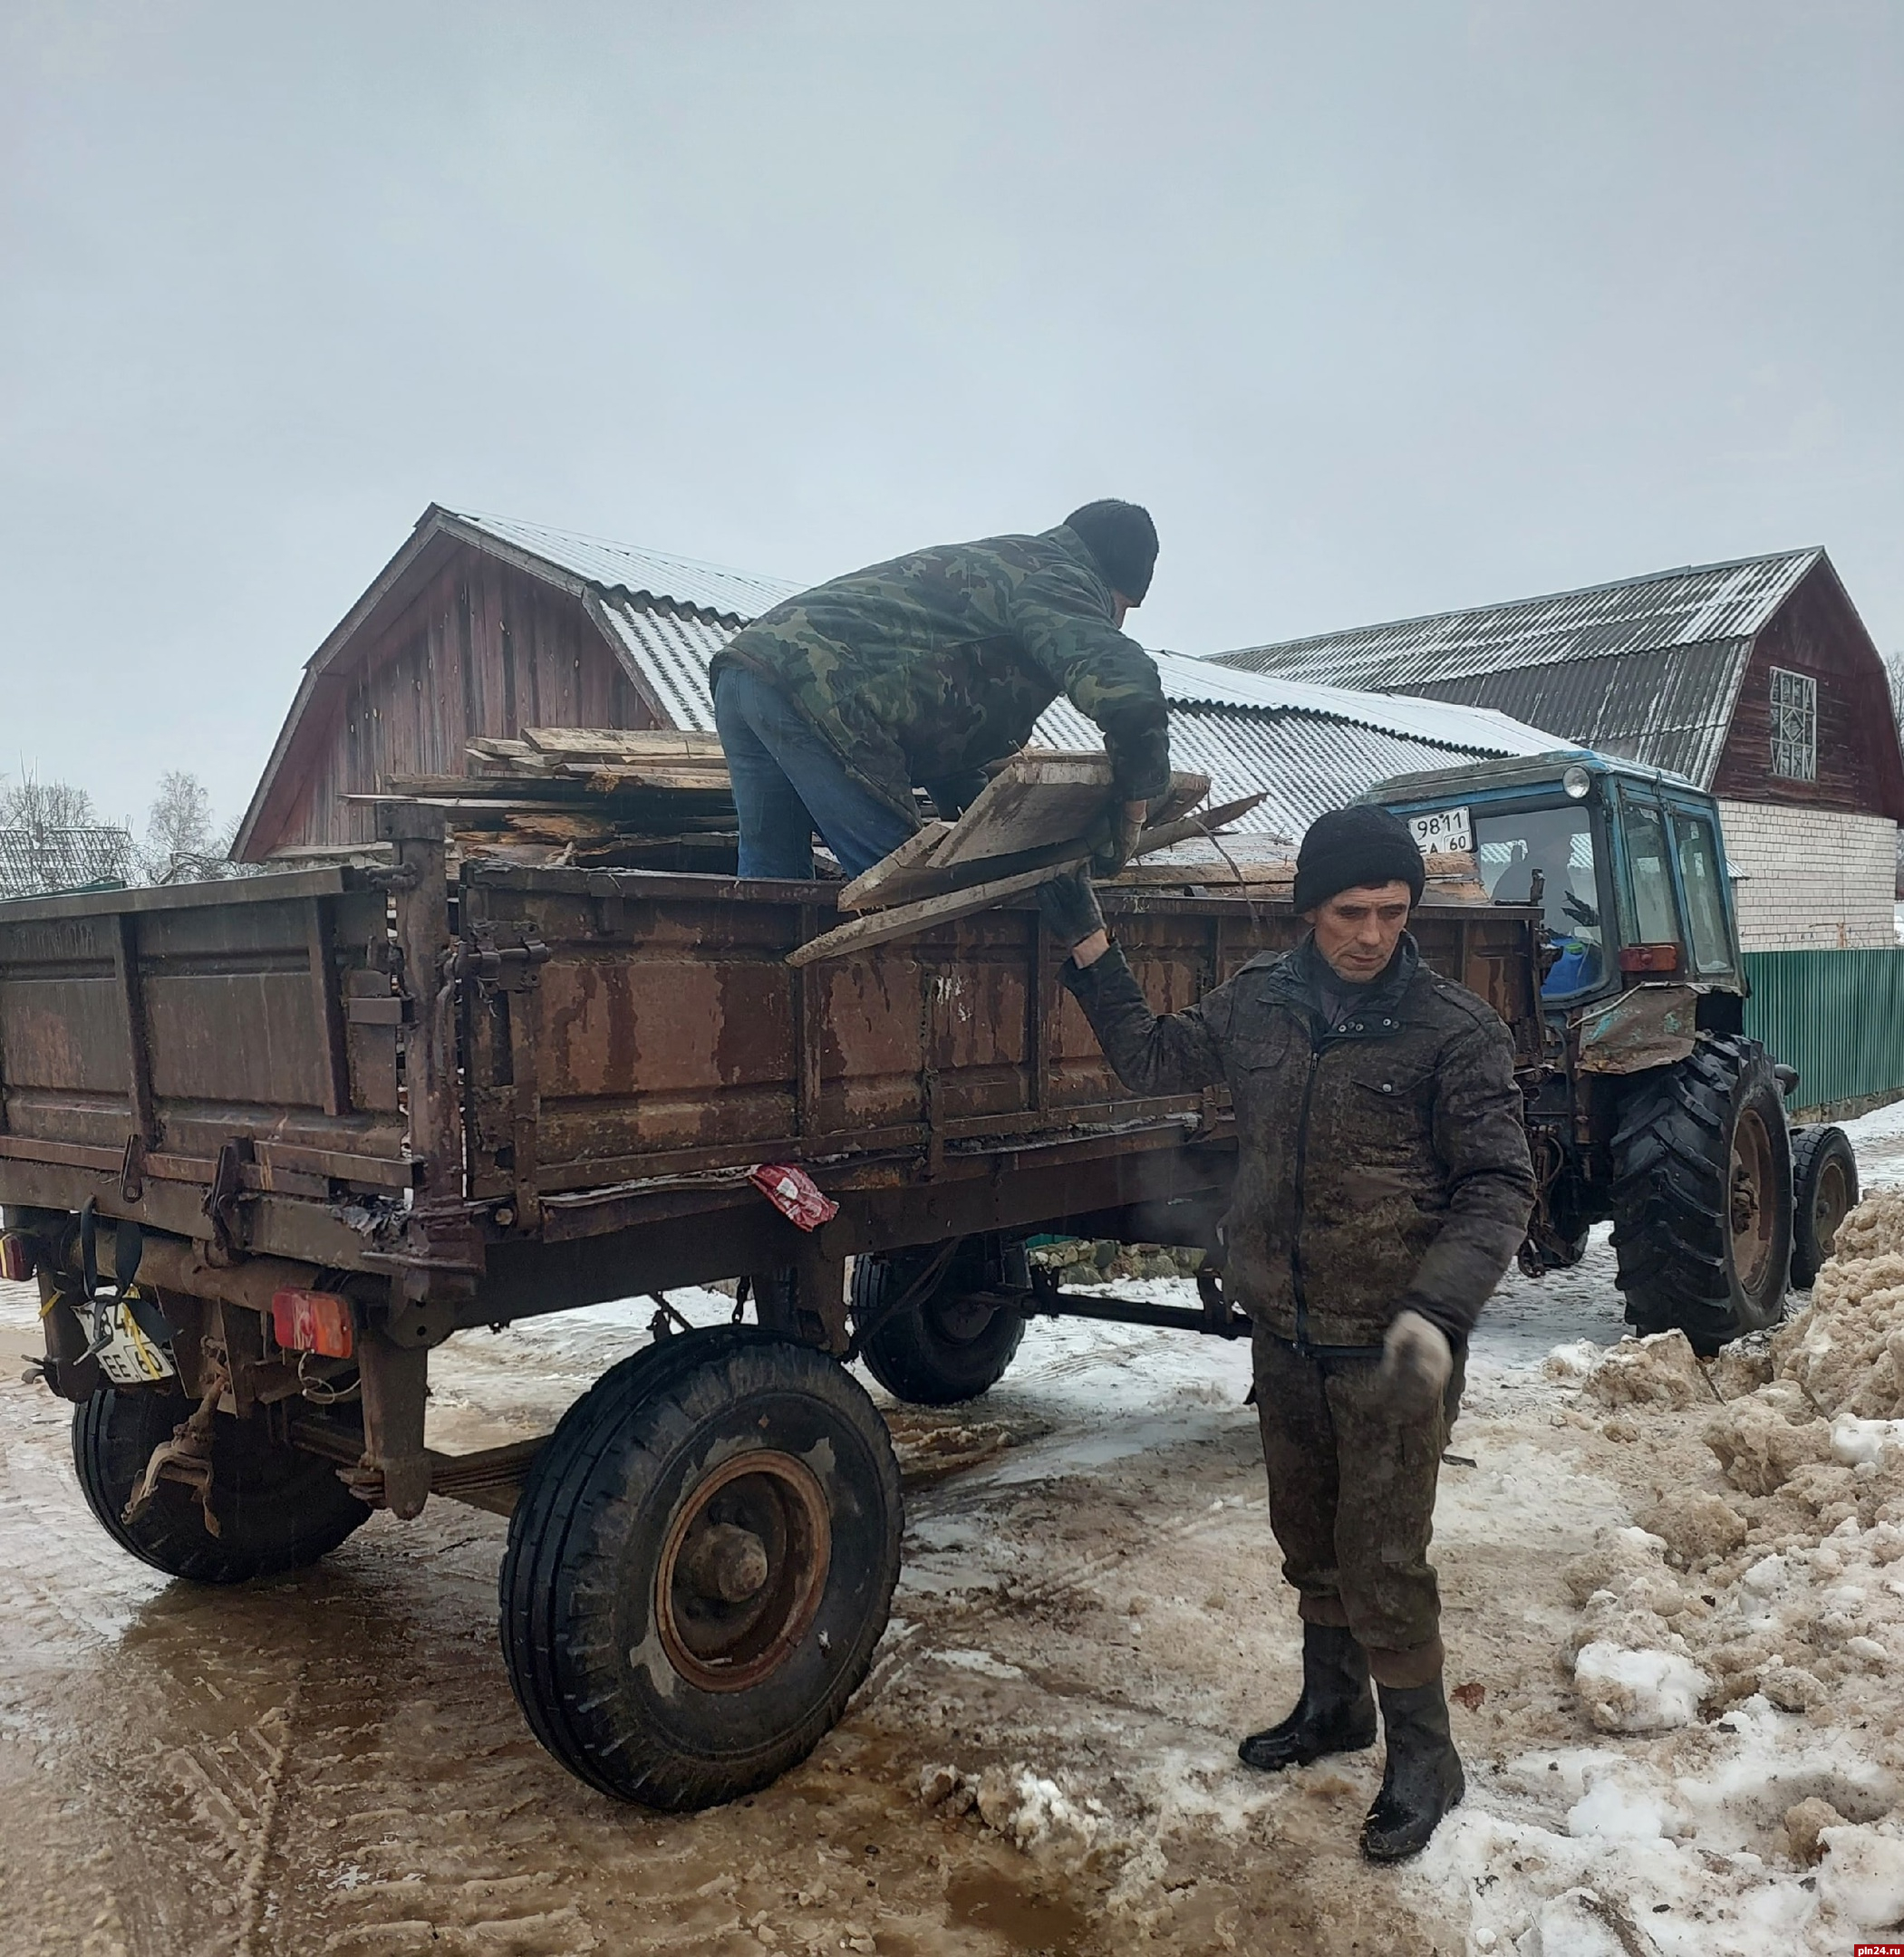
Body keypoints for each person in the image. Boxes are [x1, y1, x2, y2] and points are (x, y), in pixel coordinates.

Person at [1047, 805, 1536, 1863]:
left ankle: (1423, 1758)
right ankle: (1332, 1708)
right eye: (1350, 912)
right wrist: (1088, 944)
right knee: (1307, 1538)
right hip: (1286, 1329)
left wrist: (1438, 1309)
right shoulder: (1259, 1004)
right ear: (1309, 908)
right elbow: (1149, 1055)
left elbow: (1499, 1187)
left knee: (1383, 1558)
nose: (1371, 934)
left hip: (1394, 1345)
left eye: (1392, 912)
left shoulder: (1455, 1030)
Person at [710, 501, 1171, 880]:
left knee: (773, 880)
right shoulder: (1060, 581)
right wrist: (1134, 811)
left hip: (748, 671)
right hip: (822, 691)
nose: (1116, 622)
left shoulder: (1003, 564)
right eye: (1123, 609)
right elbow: (1130, 694)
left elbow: (938, 717)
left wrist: (981, 819)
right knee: (900, 888)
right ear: (1117, 585)